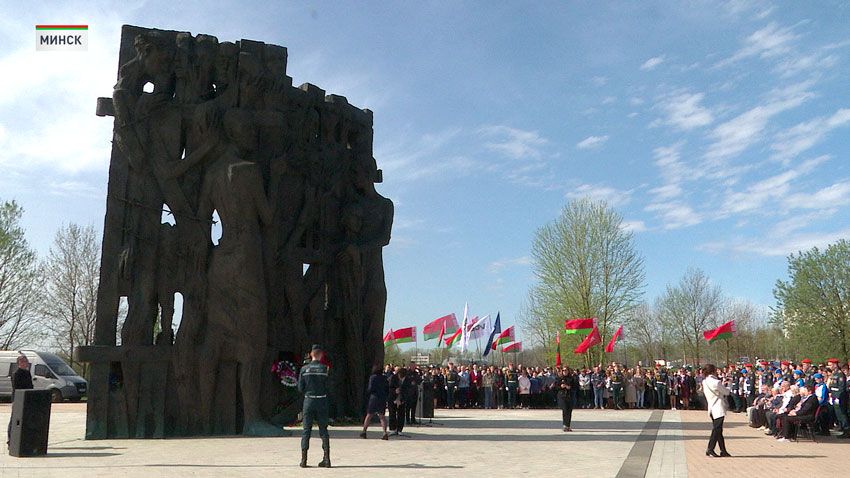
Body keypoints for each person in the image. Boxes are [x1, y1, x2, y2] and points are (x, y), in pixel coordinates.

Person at [298, 345, 331, 468]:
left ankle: (303, 459)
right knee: (323, 430)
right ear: (321, 355)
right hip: (322, 400)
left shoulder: (304, 369)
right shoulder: (326, 369)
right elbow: (330, 387)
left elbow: (300, 388)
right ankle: (327, 459)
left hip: (309, 401)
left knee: (306, 430)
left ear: (311, 354)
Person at [702, 364, 731, 457]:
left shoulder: (705, 381)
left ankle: (723, 450)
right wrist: (729, 384)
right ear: (713, 371)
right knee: (716, 430)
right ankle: (710, 448)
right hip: (718, 407)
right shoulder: (716, 382)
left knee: (718, 430)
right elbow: (726, 392)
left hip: (711, 408)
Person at [7, 355, 34, 447]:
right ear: (19, 363)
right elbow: (16, 387)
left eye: (26, 361)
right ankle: (10, 440)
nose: (25, 363)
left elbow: (30, 386)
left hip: (27, 399)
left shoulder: (27, 373)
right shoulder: (16, 373)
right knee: (15, 419)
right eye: (23, 361)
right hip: (18, 399)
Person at [361, 365, 389, 440]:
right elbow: (387, 388)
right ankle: (384, 432)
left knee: (369, 415)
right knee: (382, 416)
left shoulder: (373, 377)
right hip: (382, 397)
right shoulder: (384, 377)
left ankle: (364, 431)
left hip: (374, 397)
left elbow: (370, 388)